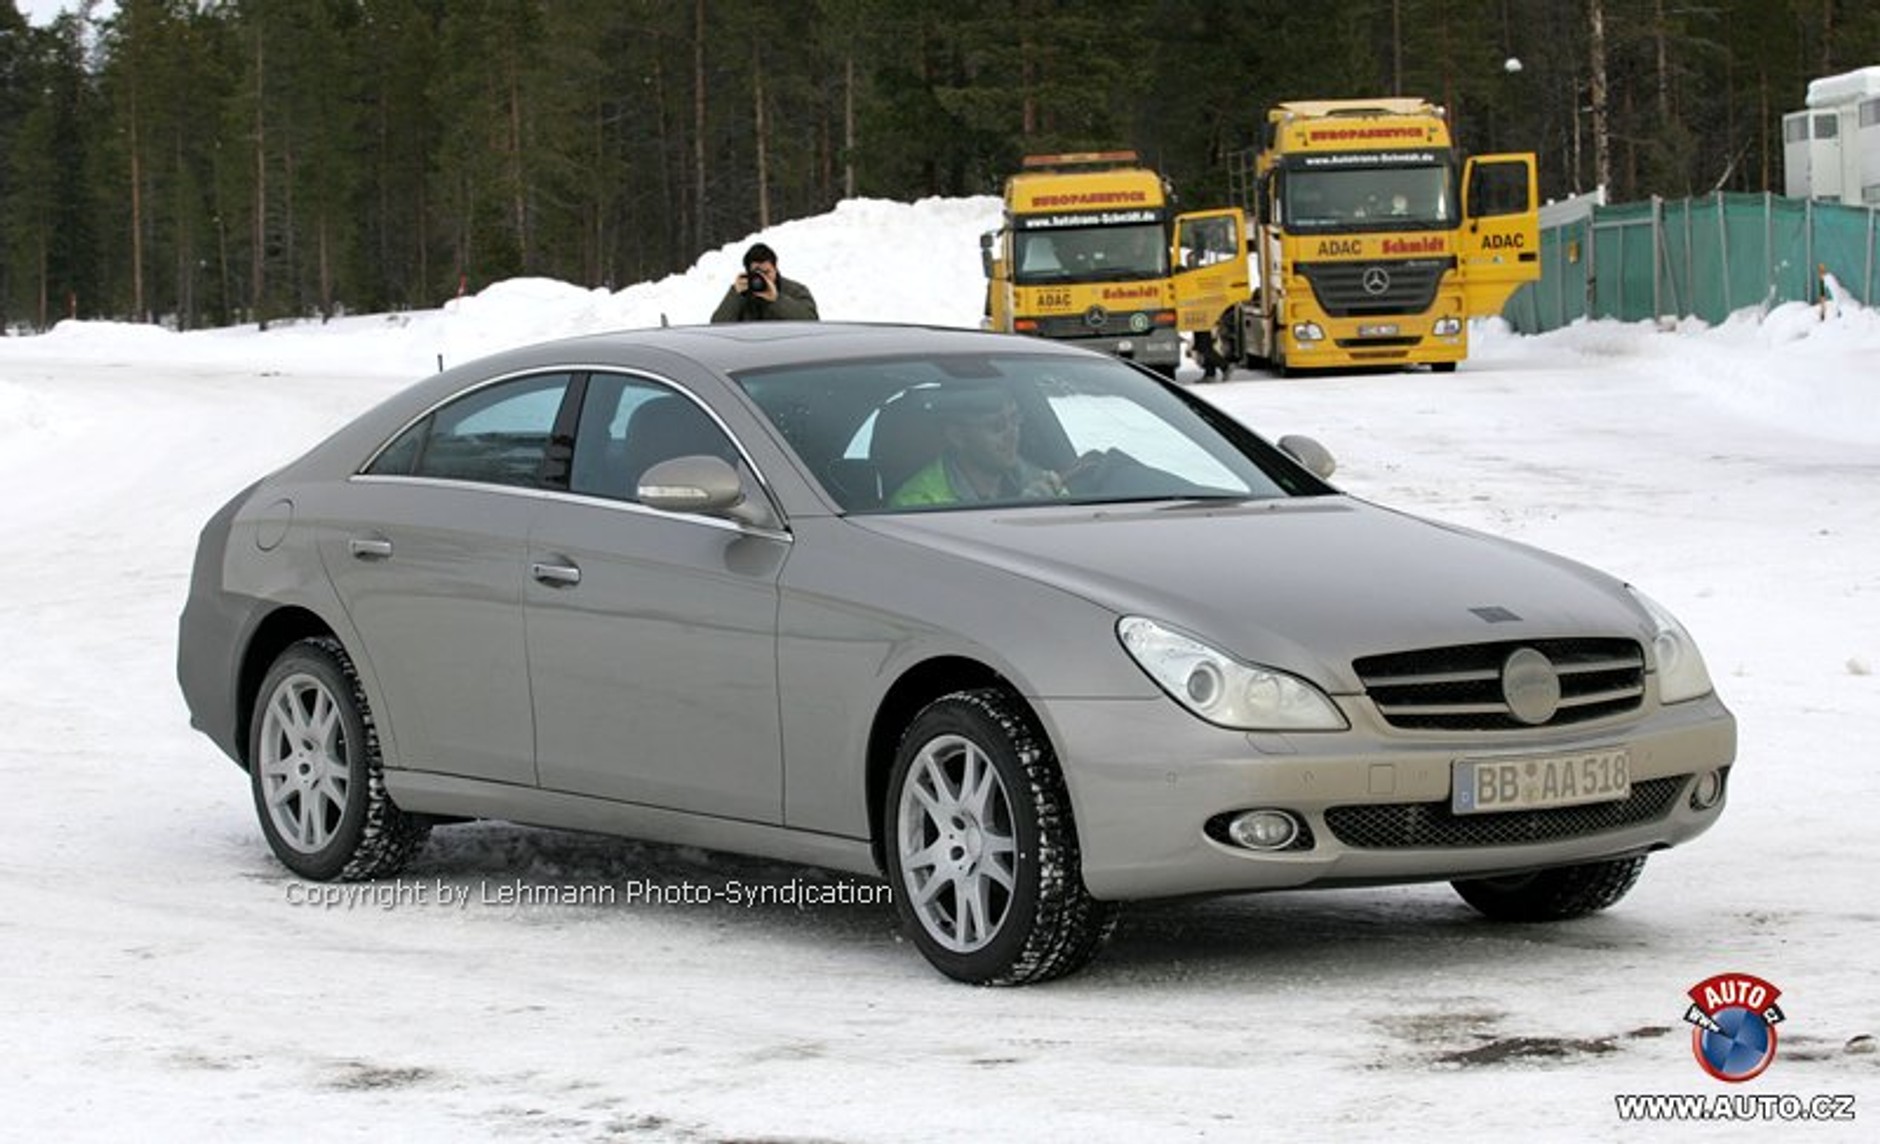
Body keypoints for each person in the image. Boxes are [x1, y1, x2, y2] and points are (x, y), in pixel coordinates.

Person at [889, 388, 1066, 507]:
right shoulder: (919, 502)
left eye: (1015, 419)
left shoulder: (1041, 482)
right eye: (997, 426)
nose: (1013, 435)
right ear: (957, 437)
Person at [710, 242, 819, 322]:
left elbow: (812, 322)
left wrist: (777, 299)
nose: (763, 278)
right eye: (757, 273)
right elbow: (717, 327)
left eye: (767, 272)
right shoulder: (740, 292)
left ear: (775, 269)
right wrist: (735, 295)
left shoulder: (795, 291)